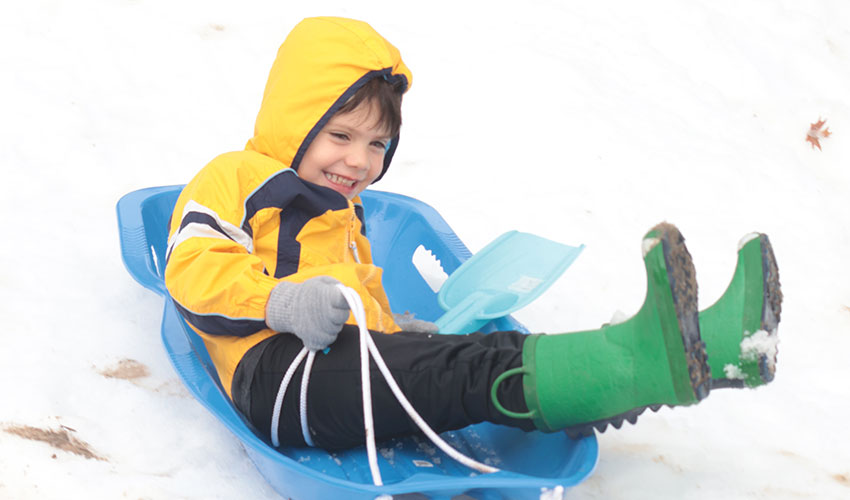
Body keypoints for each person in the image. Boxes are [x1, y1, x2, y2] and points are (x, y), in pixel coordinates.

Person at [164, 16, 781, 451]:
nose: (359, 161)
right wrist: (278, 299)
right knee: (448, 374)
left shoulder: (345, 218)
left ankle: (708, 353)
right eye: (341, 136)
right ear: (295, 120)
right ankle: (632, 363)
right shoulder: (237, 176)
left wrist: (396, 333)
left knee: (471, 357)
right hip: (275, 376)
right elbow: (190, 268)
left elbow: (356, 302)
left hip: (335, 365)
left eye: (377, 144)